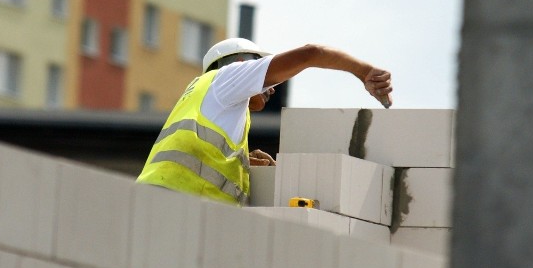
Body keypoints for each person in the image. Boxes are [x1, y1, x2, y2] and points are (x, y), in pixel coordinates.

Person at [136, 38, 393, 205]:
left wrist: (242, 161)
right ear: (240, 64)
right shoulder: (228, 77)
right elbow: (310, 53)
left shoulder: (208, 97)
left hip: (165, 203)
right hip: (174, 204)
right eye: (268, 79)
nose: (271, 88)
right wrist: (364, 72)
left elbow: (198, 154)